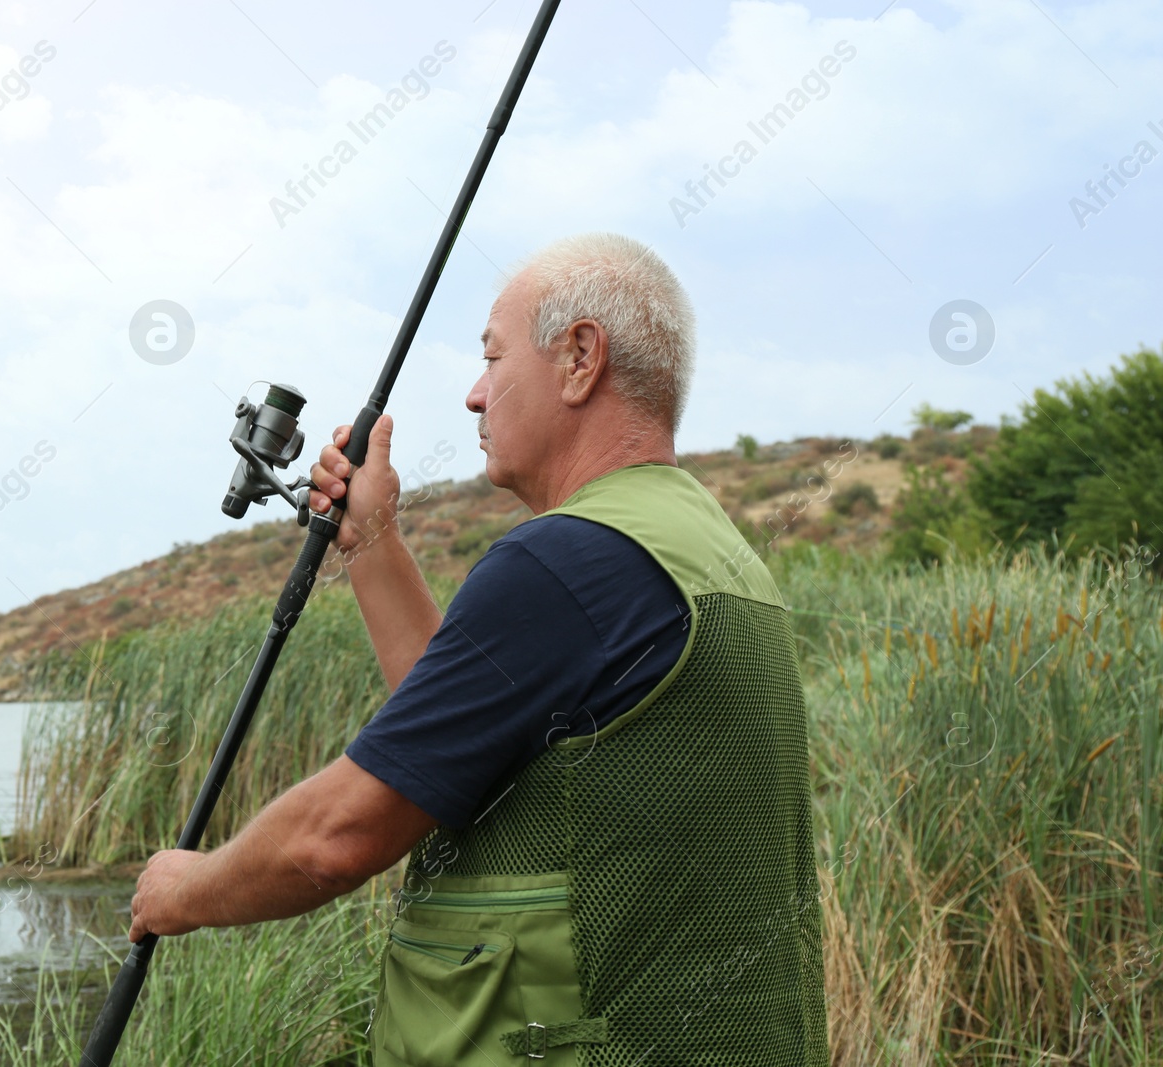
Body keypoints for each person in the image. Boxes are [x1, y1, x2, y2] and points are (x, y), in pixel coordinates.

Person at [126, 233, 827, 1066]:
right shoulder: (713, 555)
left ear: (579, 357)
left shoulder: (565, 562)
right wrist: (373, 543)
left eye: (493, 358)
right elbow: (462, 743)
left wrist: (185, 888)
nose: (472, 395)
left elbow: (335, 839)